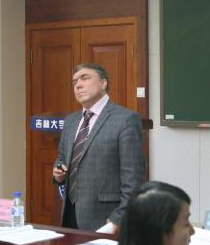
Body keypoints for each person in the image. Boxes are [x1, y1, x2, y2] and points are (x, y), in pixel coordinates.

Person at [51, 63, 145, 231]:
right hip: (69, 215)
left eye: (85, 78)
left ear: (103, 83)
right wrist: (58, 173)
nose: (78, 85)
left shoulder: (125, 119)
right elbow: (62, 157)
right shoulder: (71, 121)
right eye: (74, 82)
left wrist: (118, 219)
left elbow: (133, 179)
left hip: (106, 219)